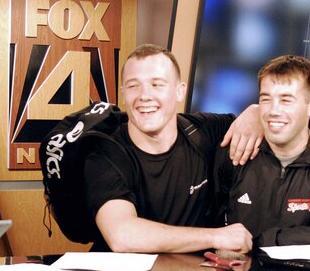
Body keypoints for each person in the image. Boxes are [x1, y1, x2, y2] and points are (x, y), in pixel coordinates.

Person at [85, 44, 258, 254]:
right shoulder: (106, 153)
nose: (144, 96)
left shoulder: (203, 131)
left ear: (180, 91)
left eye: (157, 85)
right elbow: (123, 236)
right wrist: (217, 236)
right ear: (122, 94)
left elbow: (258, 120)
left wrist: (256, 112)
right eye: (133, 86)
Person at [217, 55, 310, 247]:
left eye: (286, 100)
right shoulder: (235, 146)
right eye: (266, 99)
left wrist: (261, 242)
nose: (273, 111)